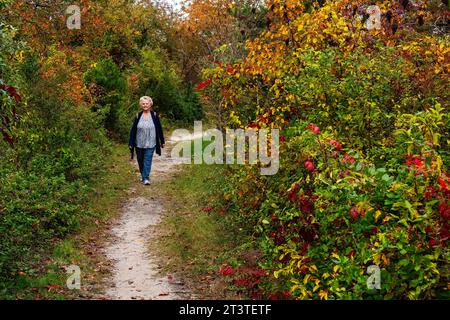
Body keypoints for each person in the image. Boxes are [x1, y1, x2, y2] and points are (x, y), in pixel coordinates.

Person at [129, 96, 165, 185]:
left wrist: (162, 141)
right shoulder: (138, 116)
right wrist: (130, 142)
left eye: (147, 103)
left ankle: (146, 178)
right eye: (143, 104)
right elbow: (133, 130)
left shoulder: (155, 115)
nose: (145, 105)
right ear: (141, 105)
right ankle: (143, 175)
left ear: (150, 104)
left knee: (147, 160)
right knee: (140, 160)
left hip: (151, 142)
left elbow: (159, 129)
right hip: (139, 143)